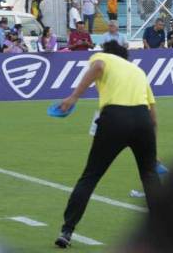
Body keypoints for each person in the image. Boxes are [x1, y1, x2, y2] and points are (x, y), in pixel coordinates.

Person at [54, 41, 161, 248]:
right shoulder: (138, 71)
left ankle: (67, 230)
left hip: (115, 118)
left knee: (91, 175)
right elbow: (154, 117)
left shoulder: (104, 59)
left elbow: (98, 67)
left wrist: (74, 97)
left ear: (108, 52)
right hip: (143, 121)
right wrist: (153, 150)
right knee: (149, 175)